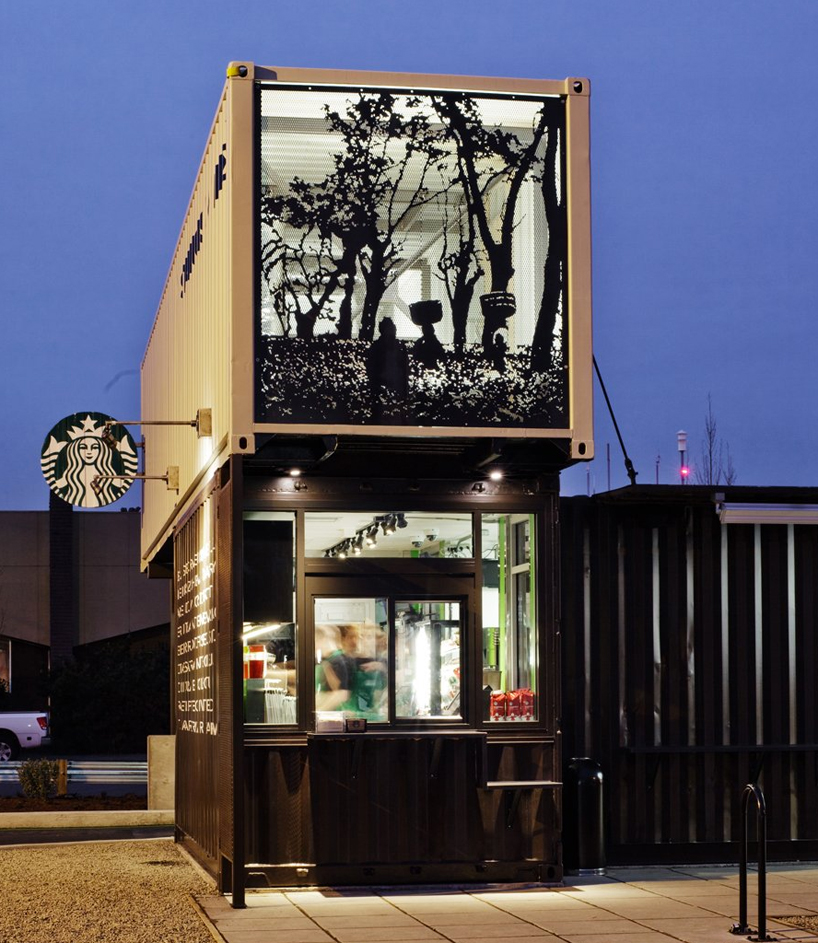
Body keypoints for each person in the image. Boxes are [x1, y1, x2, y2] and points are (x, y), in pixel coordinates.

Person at [316, 623, 386, 719]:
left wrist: (383, 667)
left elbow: (380, 702)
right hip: (351, 717)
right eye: (361, 636)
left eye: (369, 637)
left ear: (377, 640)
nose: (363, 641)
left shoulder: (383, 663)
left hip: (373, 719)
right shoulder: (348, 661)